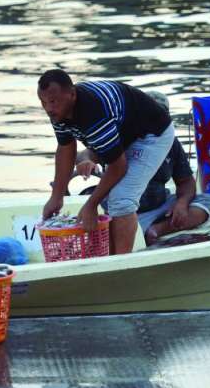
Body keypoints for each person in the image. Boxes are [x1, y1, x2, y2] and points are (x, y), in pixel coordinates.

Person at [38, 69, 174, 254]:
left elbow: (119, 167)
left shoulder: (93, 113)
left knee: (122, 198)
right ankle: (111, 257)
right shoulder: (59, 112)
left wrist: (91, 204)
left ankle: (122, 263)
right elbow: (66, 148)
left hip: (151, 134)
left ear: (72, 94)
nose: (48, 109)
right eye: (43, 102)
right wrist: (57, 196)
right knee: (111, 197)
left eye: (53, 102)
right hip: (124, 134)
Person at [74, 91, 210, 246]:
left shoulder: (169, 141)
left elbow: (186, 181)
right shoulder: (118, 137)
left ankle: (158, 229)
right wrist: (86, 161)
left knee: (208, 201)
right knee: (119, 222)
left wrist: (182, 203)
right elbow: (87, 153)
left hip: (160, 206)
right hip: (123, 211)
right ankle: (137, 230)